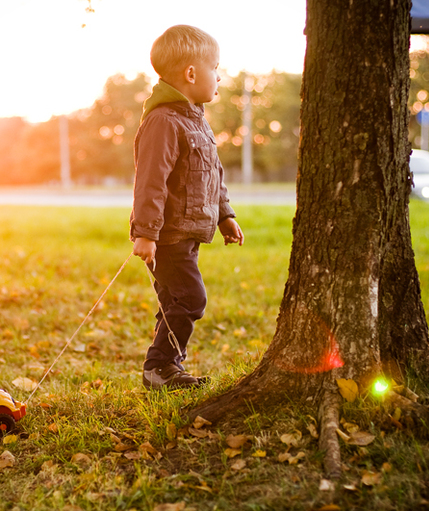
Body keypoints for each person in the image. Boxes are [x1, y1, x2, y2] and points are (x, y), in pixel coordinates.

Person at [130, 25, 244, 390]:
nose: (220, 76)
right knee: (190, 299)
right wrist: (146, 234)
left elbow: (212, 173)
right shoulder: (162, 121)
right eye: (215, 67)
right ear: (191, 74)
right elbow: (151, 181)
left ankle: (164, 370)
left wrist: (225, 214)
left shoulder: (195, 120)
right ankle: (160, 366)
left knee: (174, 301)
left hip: (188, 233)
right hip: (168, 237)